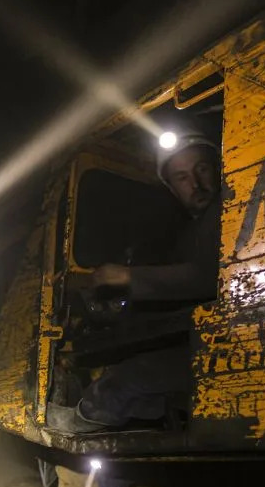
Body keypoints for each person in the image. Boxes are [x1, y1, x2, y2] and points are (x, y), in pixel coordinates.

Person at [50, 129, 221, 432]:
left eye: (202, 169)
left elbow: (208, 276)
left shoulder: (227, 213)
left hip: (229, 346)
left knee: (130, 379)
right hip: (211, 339)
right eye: (182, 177)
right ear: (172, 188)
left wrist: (127, 276)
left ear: (218, 168)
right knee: (137, 389)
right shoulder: (192, 231)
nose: (195, 183)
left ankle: (84, 418)